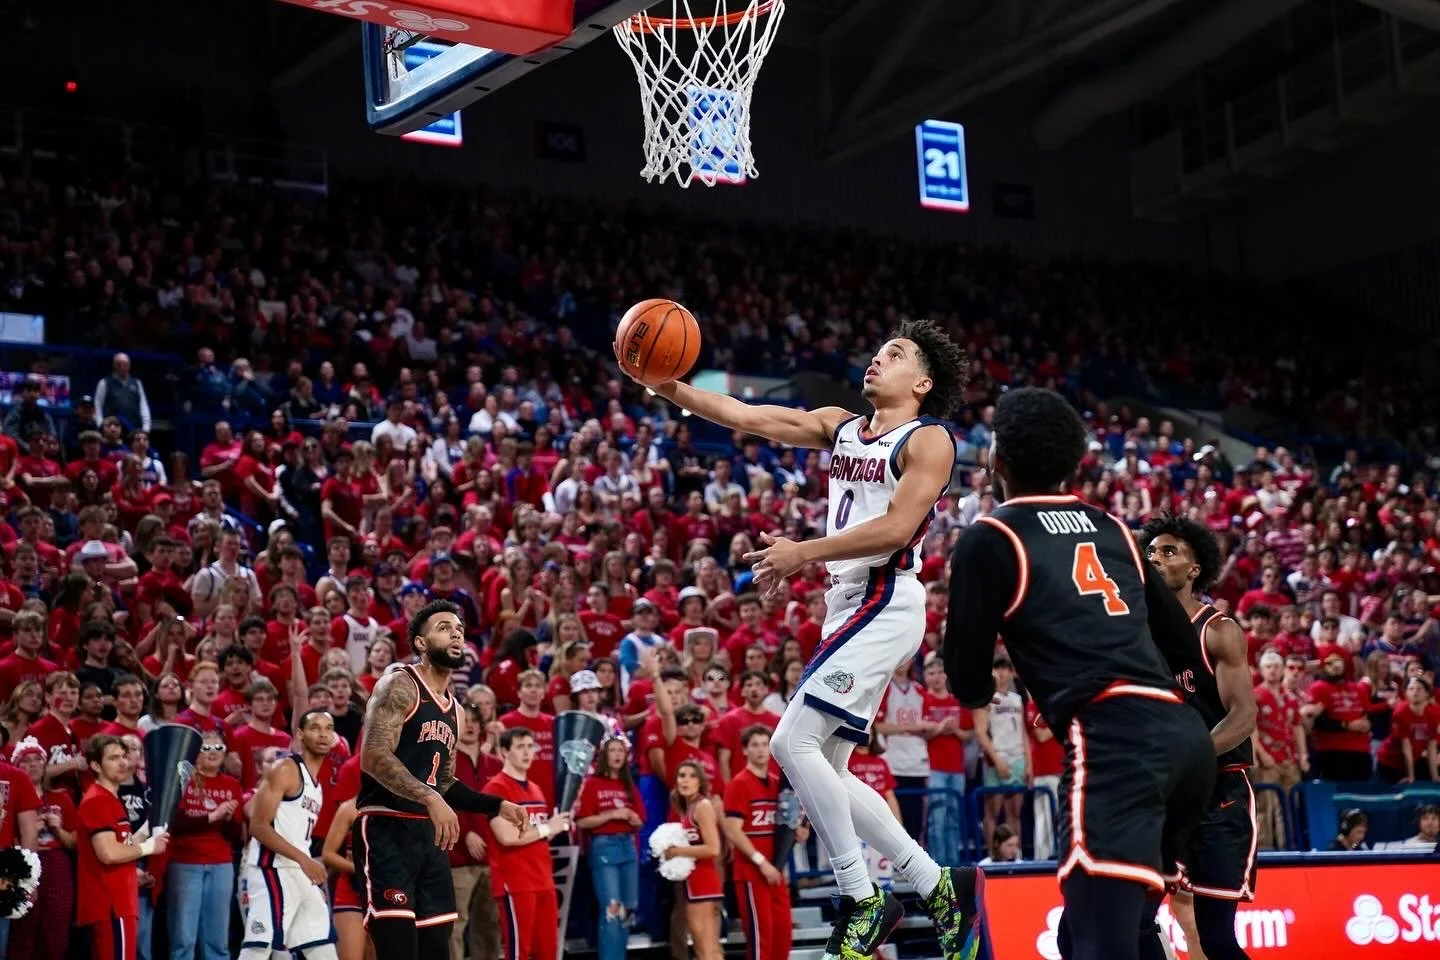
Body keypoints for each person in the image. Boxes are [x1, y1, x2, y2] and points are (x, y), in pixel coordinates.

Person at [620, 318, 986, 958]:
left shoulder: (929, 440)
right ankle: (938, 886)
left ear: (923, 382)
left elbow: (899, 528)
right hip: (847, 603)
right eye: (876, 351)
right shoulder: (842, 426)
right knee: (831, 768)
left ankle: (862, 895)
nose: (876, 360)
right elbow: (745, 414)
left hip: (885, 596)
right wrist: (666, 384)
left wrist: (803, 553)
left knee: (789, 743)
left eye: (893, 355)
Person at [942, 387, 1214, 960]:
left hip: (1114, 741)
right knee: (1110, 934)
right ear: (1073, 462)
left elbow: (966, 679)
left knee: (1099, 944)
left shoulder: (991, 537)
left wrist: (997, 685)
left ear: (998, 460)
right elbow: (1186, 646)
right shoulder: (1113, 527)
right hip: (1184, 741)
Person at [353, 600, 529, 960]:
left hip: (430, 840)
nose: (456, 634)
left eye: (460, 630)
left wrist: (495, 805)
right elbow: (372, 757)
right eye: (445, 627)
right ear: (421, 642)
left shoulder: (456, 710)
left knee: (437, 951)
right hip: (387, 828)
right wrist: (431, 799)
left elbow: (444, 780)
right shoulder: (399, 685)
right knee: (399, 950)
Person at [1140, 514, 1261, 960]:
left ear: (1194, 570)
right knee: (1136, 920)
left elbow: (1243, 715)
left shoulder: (1219, 630)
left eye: (1169, 551)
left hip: (1218, 793)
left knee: (1216, 939)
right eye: (1151, 551)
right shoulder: (1138, 632)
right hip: (1163, 794)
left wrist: (1190, 758)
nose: (1156, 558)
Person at [239, 709, 339, 960]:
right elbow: (258, 826)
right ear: (300, 734)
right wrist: (305, 861)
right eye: (315, 727)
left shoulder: (317, 785)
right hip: (271, 869)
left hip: (298, 871)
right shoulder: (286, 769)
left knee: (321, 944)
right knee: (258, 948)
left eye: (328, 728)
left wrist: (308, 873)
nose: (323, 734)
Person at [482, 727, 572, 960]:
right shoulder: (496, 788)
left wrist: (557, 825)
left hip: (543, 879)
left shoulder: (535, 788)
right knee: (519, 952)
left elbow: (540, 834)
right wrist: (546, 828)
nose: (527, 752)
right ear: (504, 752)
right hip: (516, 882)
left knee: (548, 952)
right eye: (520, 746)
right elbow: (507, 837)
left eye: (530, 746)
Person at [76, 735, 169, 960]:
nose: (122, 763)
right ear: (95, 765)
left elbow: (122, 845)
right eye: (113, 758)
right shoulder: (98, 800)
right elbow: (109, 853)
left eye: (124, 757)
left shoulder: (110, 799)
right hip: (111, 905)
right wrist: (149, 847)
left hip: (116, 903)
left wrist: (149, 827)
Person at [721, 726, 800, 960]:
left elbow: (784, 827)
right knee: (760, 939)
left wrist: (798, 833)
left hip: (776, 871)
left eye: (765, 744)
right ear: (744, 750)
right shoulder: (739, 784)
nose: (761, 750)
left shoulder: (778, 784)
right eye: (754, 745)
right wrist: (760, 862)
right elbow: (733, 831)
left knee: (783, 936)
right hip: (751, 872)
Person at [663, 760, 724, 960]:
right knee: (708, 949)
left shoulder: (702, 806)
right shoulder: (688, 808)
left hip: (703, 882)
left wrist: (677, 851)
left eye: (692, 776)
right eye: (681, 776)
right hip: (695, 881)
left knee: (705, 949)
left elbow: (713, 848)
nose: (686, 780)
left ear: (700, 781)